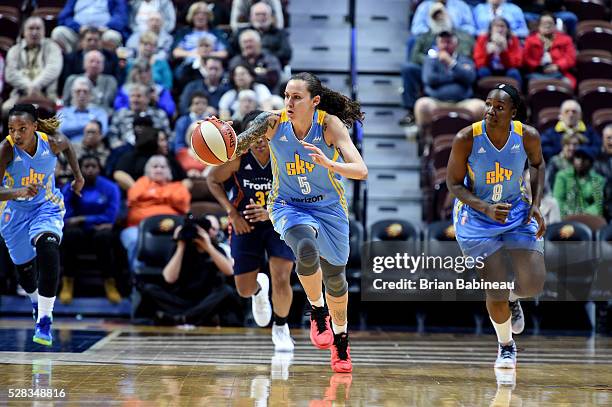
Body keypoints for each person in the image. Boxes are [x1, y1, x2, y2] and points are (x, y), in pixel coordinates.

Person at [218, 72, 368, 372]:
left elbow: (360, 170)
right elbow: (239, 145)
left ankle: (341, 341)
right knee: (305, 249)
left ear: (314, 101)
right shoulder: (272, 122)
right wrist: (217, 133)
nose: (289, 102)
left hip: (329, 209)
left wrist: (329, 163)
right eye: (286, 95)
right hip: (287, 205)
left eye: (296, 97)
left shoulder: (329, 124)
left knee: (337, 281)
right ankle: (316, 309)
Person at [446, 84, 547, 369]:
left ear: (513, 113)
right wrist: (486, 207)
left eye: (499, 107)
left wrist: (536, 203)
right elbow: (453, 184)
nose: (491, 111)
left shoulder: (527, 136)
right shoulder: (466, 138)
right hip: (476, 218)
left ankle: (515, 298)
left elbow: (538, 165)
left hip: (515, 211)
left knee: (532, 283)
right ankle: (506, 346)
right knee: (495, 286)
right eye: (488, 104)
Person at [207, 110, 295, 352]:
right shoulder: (237, 158)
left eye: (263, 133)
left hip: (279, 223)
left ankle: (281, 327)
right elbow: (212, 180)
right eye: (252, 134)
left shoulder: (285, 157)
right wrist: (232, 213)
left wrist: (272, 213)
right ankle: (258, 288)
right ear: (244, 136)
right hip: (245, 223)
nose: (258, 140)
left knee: (282, 275)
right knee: (243, 290)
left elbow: (301, 193)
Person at [0, 104, 85, 346]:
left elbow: (69, 147)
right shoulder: (5, 150)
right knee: (25, 273)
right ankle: (36, 303)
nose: (16, 135)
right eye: (12, 129)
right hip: (13, 213)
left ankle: (45, 320)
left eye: (22, 129)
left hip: (46, 206)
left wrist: (78, 176)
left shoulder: (52, 143)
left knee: (48, 248)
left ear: (34, 127)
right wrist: (18, 191)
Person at [145, 214, 241, 326]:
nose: (208, 232)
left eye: (212, 229)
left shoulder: (217, 249)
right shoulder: (181, 248)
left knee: (226, 291)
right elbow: (169, 278)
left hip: (207, 300)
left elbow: (230, 271)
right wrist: (180, 245)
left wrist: (208, 247)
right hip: (181, 299)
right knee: (149, 289)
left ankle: (182, 318)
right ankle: (193, 317)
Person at [60, 155, 121, 304]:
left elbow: (111, 216)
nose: (90, 170)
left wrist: (83, 219)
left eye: (93, 166)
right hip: (77, 231)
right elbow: (65, 215)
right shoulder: (70, 187)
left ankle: (109, 282)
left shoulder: (110, 187)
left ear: (99, 169)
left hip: (98, 231)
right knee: (70, 235)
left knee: (104, 236)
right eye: (86, 166)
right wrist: (94, 220)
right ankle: (67, 282)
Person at [120, 155, 191, 270]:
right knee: (134, 241)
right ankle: (138, 279)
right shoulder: (141, 183)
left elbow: (181, 202)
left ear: (169, 171)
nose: (159, 170)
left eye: (163, 167)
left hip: (171, 230)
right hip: (137, 229)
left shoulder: (178, 186)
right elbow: (133, 197)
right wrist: (166, 197)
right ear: (148, 170)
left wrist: (151, 195)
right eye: (155, 167)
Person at [2, 17, 63, 117]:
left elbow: (53, 69)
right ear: (24, 32)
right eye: (31, 28)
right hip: (20, 94)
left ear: (44, 31)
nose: (34, 32)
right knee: (5, 109)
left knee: (61, 114)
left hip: (47, 94)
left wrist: (35, 86)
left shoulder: (53, 47)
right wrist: (28, 86)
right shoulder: (14, 50)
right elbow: (10, 74)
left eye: (38, 28)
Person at [523, 13, 576, 88]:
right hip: (537, 72)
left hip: (560, 72)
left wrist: (557, 66)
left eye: (550, 23)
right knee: (532, 85)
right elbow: (526, 58)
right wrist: (538, 67)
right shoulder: (530, 40)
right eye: (544, 23)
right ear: (538, 26)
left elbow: (570, 58)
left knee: (568, 84)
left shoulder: (566, 39)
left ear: (555, 25)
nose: (547, 26)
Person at [553, 146, 605, 218]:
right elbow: (558, 200)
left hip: (589, 218)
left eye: (584, 158)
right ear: (573, 160)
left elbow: (598, 204)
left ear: (590, 161)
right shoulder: (562, 176)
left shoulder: (598, 179)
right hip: (566, 217)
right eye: (578, 157)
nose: (581, 161)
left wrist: (583, 215)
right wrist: (569, 215)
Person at [473, 17, 523, 87]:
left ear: (508, 29)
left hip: (506, 69)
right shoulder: (483, 39)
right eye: (496, 26)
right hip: (489, 68)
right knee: (482, 72)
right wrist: (488, 54)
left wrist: (504, 52)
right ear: (491, 29)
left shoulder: (513, 40)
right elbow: (478, 63)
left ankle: (516, 95)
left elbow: (517, 64)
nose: (499, 29)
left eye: (502, 26)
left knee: (514, 73)